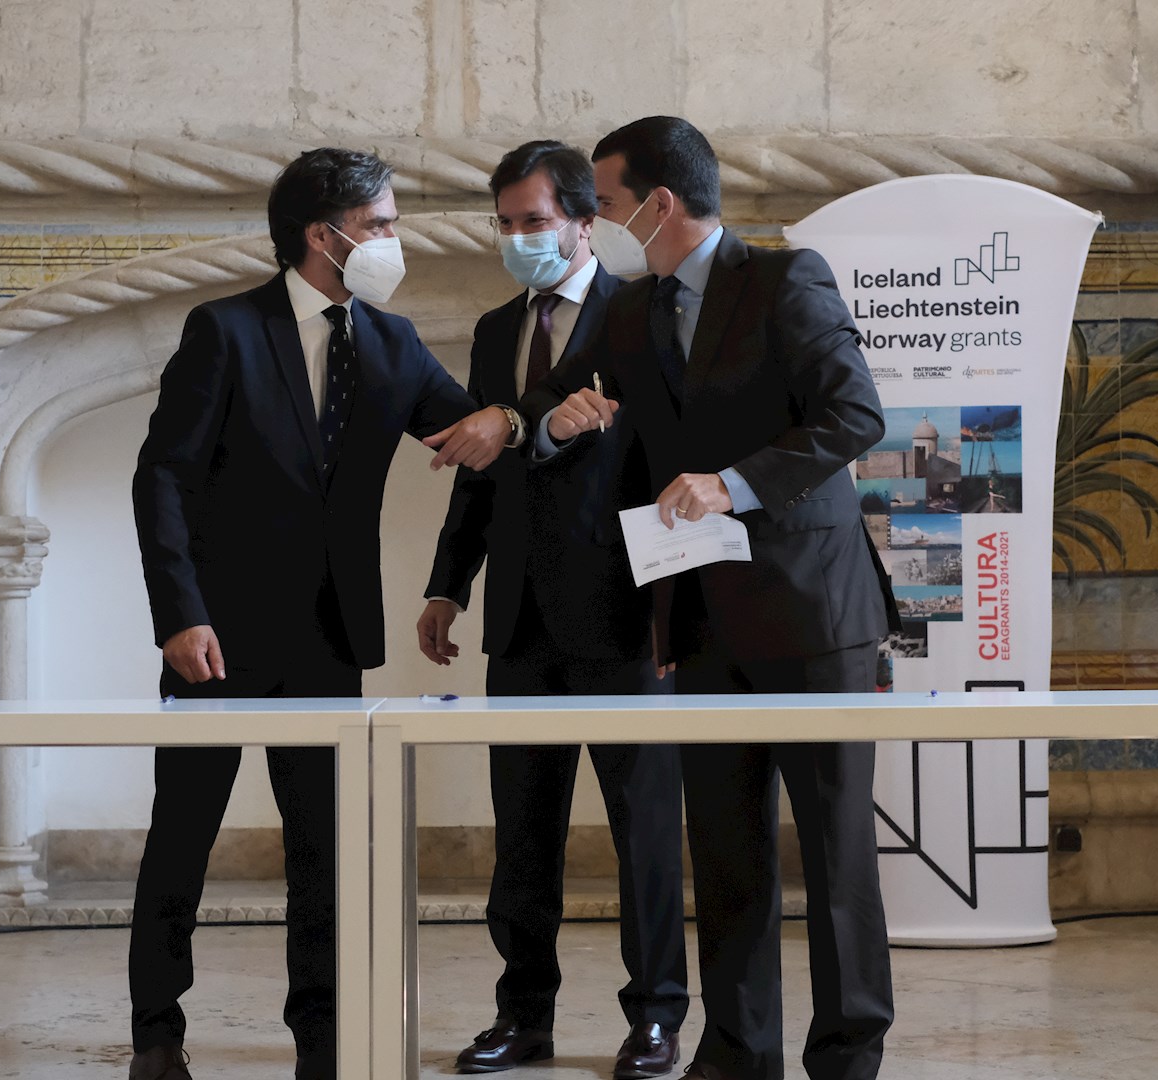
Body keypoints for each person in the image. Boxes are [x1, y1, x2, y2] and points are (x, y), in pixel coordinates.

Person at [128, 146, 520, 1080]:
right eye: (379, 224)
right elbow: (163, 478)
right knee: (181, 842)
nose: (393, 240)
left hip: (328, 638)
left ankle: (322, 1039)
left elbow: (469, 437)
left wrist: (515, 420)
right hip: (215, 639)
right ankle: (156, 1034)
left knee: (327, 858)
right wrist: (178, 615)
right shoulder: (224, 330)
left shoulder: (393, 341)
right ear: (323, 234)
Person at [522, 116, 901, 1080]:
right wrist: (557, 424)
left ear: (660, 203)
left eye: (608, 202)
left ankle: (848, 1056)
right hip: (698, 619)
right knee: (727, 855)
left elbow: (855, 414)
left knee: (835, 851)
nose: (599, 221)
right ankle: (736, 1053)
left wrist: (732, 484)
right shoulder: (629, 313)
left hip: (814, 615)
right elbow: (553, 405)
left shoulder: (784, 280)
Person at [416, 140, 689, 1079]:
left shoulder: (642, 313)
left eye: (534, 221)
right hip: (521, 622)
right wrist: (447, 584)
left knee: (643, 834)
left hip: (626, 619)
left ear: (583, 220)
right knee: (522, 838)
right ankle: (522, 1016)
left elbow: (666, 458)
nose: (518, 237)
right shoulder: (496, 329)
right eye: (505, 223)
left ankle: (655, 1017)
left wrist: (677, 615)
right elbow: (478, 471)